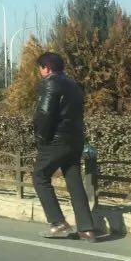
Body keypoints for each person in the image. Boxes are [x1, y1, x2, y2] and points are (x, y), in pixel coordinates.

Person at [32, 52, 97, 242]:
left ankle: (58, 222)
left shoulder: (50, 83)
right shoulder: (73, 85)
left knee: (39, 176)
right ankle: (87, 229)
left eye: (40, 68)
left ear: (46, 68)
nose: (40, 72)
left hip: (56, 140)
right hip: (75, 140)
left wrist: (41, 139)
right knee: (74, 179)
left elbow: (44, 113)